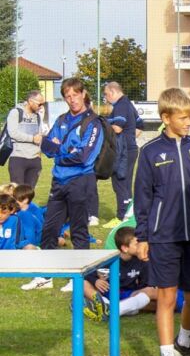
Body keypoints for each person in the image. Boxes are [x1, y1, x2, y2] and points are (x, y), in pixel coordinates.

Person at [135, 87, 190, 356]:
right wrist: (143, 236)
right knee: (166, 297)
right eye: (182, 118)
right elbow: (142, 197)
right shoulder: (150, 152)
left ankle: (184, 343)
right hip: (164, 236)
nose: (188, 123)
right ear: (166, 118)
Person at [38, 78, 104, 266]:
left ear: (83, 94)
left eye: (75, 95)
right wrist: (67, 150)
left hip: (80, 180)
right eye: (68, 96)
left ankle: (82, 275)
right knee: (49, 229)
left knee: (78, 230)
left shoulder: (93, 122)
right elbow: (46, 146)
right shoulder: (61, 119)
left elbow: (84, 157)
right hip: (58, 180)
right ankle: (45, 274)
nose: (72, 99)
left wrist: (59, 150)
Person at [82, 227, 158, 321]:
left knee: (155, 294)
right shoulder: (109, 259)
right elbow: (87, 273)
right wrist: (96, 281)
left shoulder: (142, 260)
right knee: (83, 284)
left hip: (129, 295)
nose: (141, 246)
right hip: (107, 293)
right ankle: (108, 306)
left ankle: (111, 309)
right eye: (137, 244)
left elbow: (145, 284)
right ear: (125, 248)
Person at [103, 82, 140, 227]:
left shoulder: (121, 105)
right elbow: (140, 126)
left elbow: (117, 128)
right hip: (130, 149)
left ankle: (121, 216)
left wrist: (103, 124)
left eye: (106, 94)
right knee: (126, 183)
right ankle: (129, 216)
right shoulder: (129, 104)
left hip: (124, 151)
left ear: (113, 92)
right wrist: (130, 138)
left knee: (120, 182)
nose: (106, 98)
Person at [5, 90, 46, 188]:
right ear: (30, 101)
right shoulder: (16, 112)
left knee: (29, 193)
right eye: (40, 104)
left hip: (35, 160)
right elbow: (13, 133)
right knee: (18, 193)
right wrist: (32, 139)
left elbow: (39, 136)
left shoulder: (37, 116)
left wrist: (39, 155)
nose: (41, 107)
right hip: (18, 159)